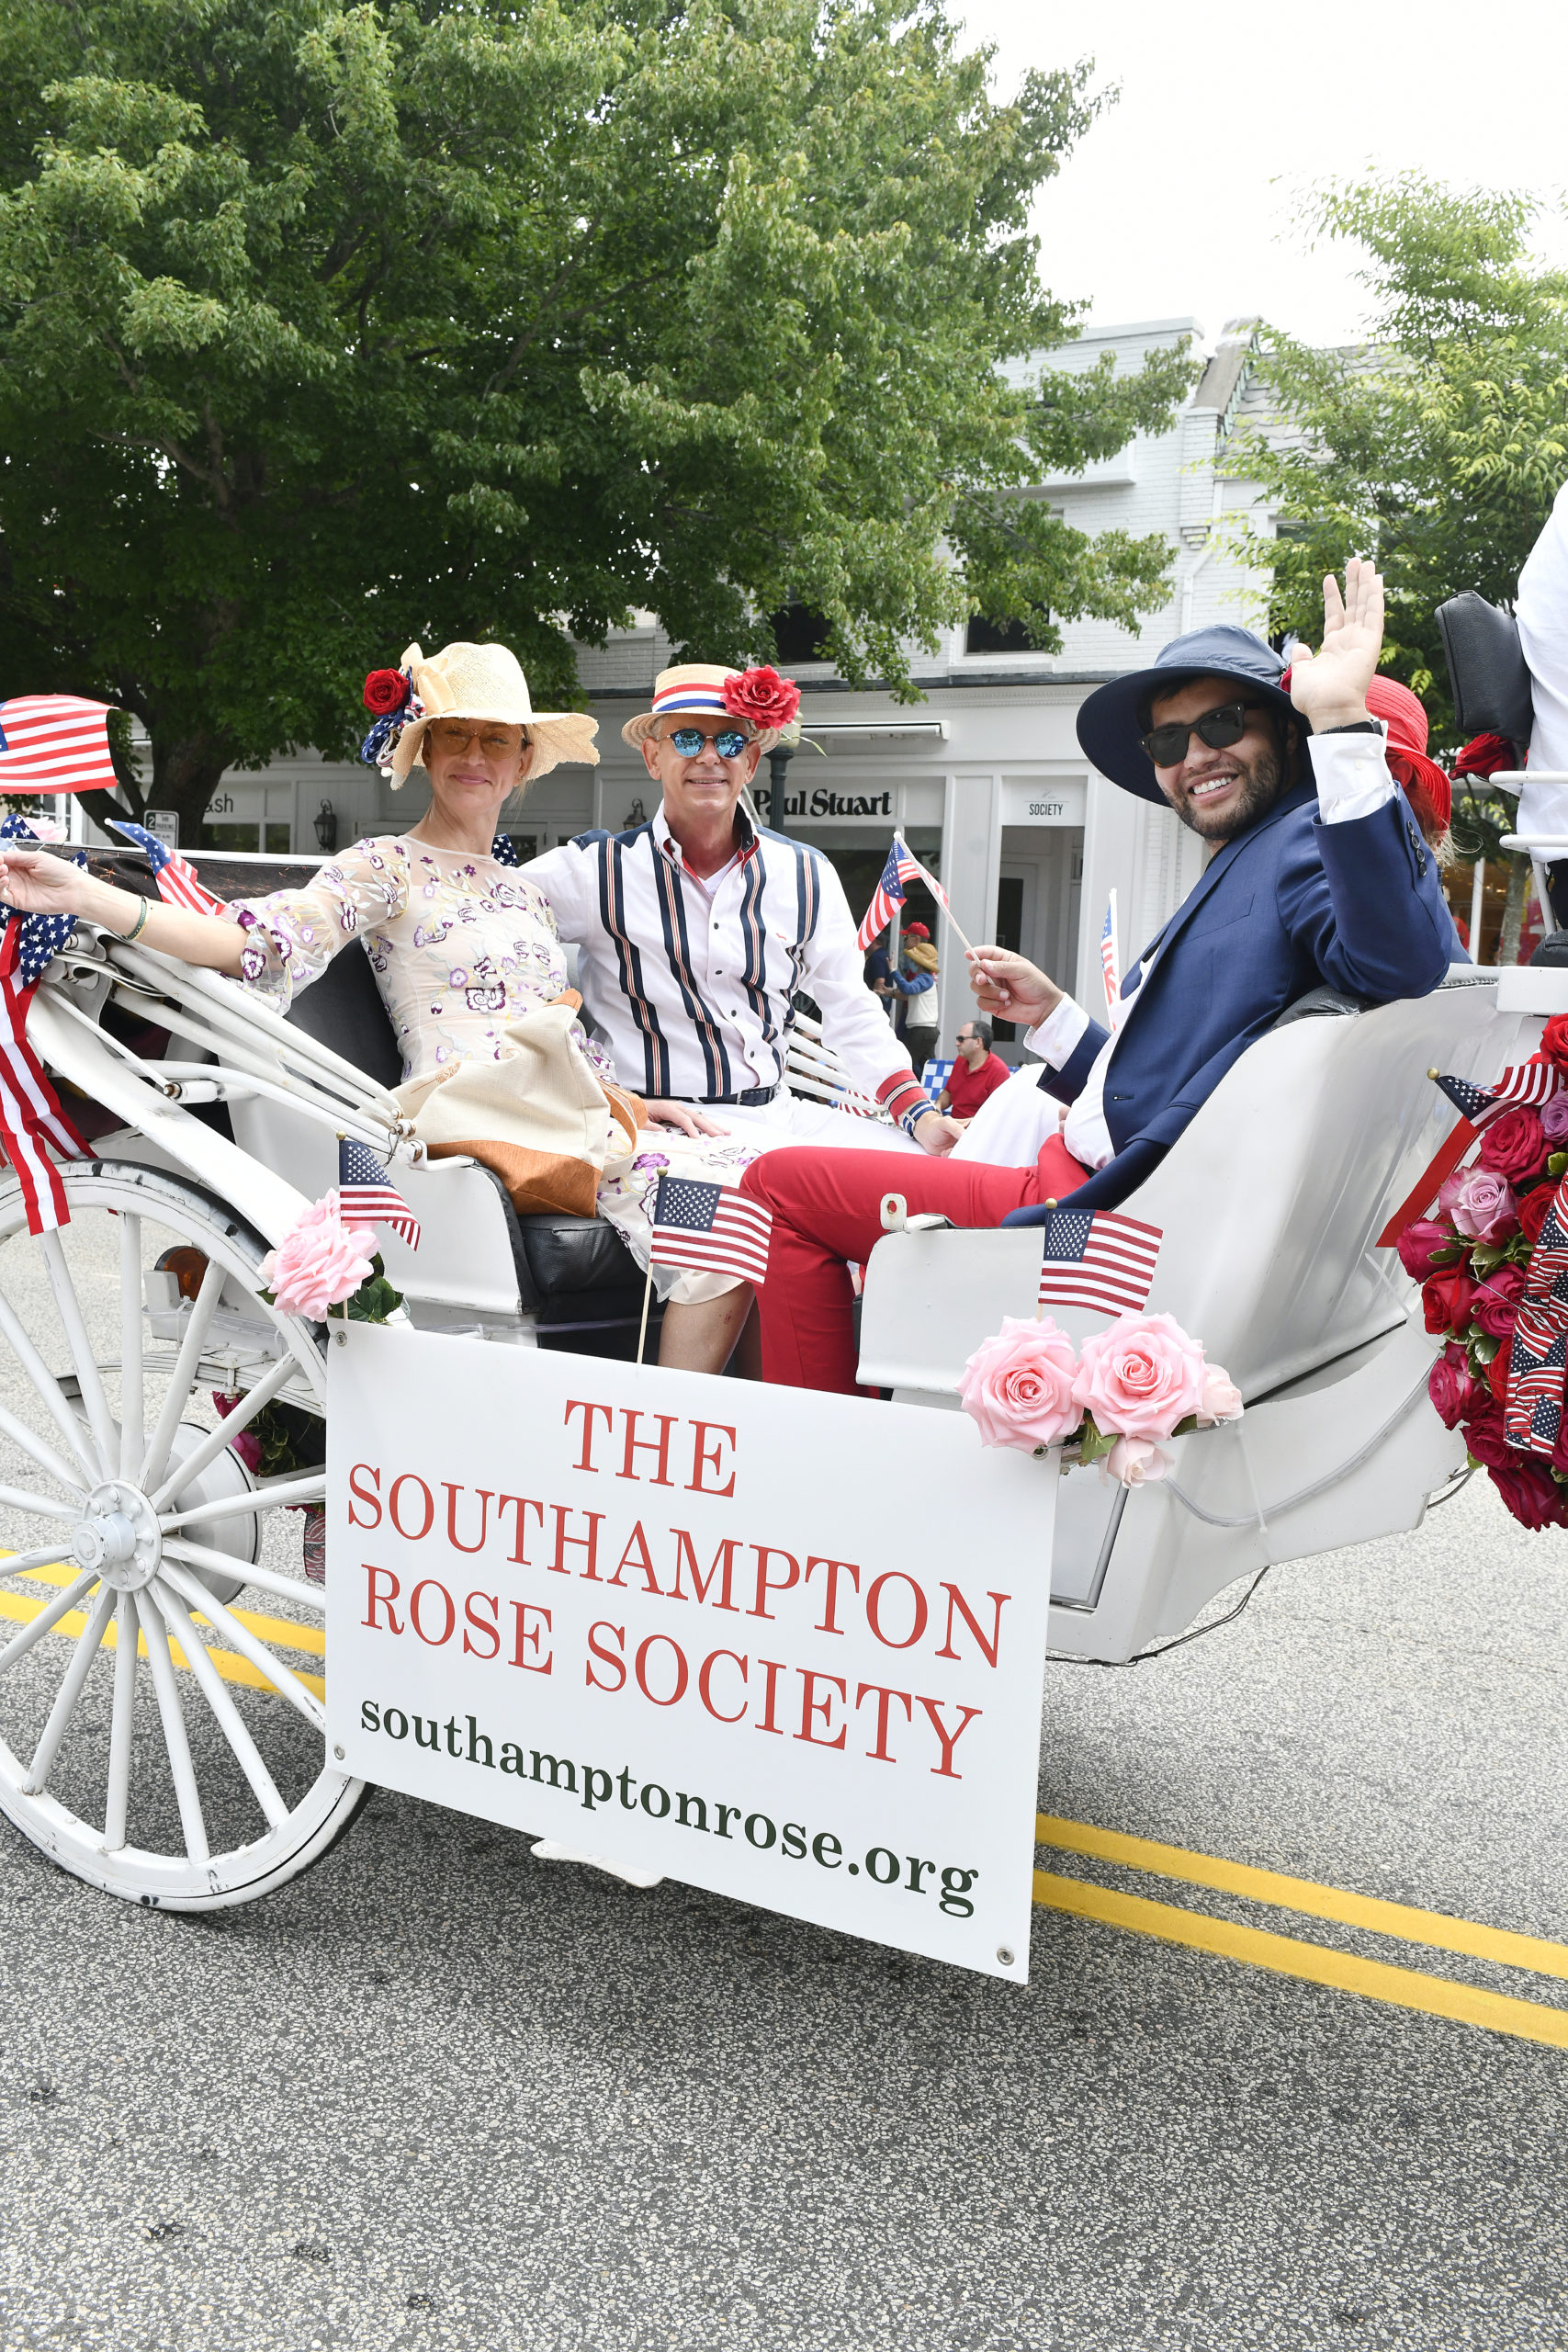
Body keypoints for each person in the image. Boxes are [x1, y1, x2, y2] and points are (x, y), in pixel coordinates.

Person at [737, 560, 1460, 1393]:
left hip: (1103, 1218)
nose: (1194, 756)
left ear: (1283, 733)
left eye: (1221, 723)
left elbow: (1401, 962)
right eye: (1165, 741)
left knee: (774, 1186)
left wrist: (1339, 719)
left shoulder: (1297, 846)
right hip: (1097, 1178)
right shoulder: (1254, 863)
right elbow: (1170, 1084)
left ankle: (821, 1454)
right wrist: (1052, 1020)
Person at [0, 640, 756, 1374]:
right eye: (452, 734)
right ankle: (662, 1443)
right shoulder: (384, 865)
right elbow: (256, 945)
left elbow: (546, 1019)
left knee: (750, 1184)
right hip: (468, 1112)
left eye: (496, 739)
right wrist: (89, 896)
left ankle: (668, 1429)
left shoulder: (523, 891)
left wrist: (629, 1100)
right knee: (719, 1218)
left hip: (557, 1109)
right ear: (423, 751)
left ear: (523, 760)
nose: (474, 755)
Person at [523, 666, 961, 1159]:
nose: (709, 757)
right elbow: (476, 907)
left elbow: (851, 1009)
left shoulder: (805, 873)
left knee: (927, 1170)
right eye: (687, 739)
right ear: (652, 756)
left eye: (730, 743)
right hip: (660, 1131)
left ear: (750, 762)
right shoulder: (595, 871)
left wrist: (919, 1113)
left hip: (778, 1115)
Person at [939, 1020, 1010, 1122]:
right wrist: (938, 1106)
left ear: (978, 1042)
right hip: (954, 1126)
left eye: (961, 1039)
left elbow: (998, 1115)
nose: (956, 1043)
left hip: (978, 1130)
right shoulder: (960, 1060)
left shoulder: (999, 1071)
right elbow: (949, 1092)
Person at [891, 921, 940, 1055]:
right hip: (920, 1021)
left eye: (906, 938)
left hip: (919, 1024)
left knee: (905, 1061)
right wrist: (890, 992)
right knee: (924, 1065)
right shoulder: (928, 973)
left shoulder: (923, 975)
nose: (904, 941)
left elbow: (908, 990)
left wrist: (893, 971)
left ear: (916, 939)